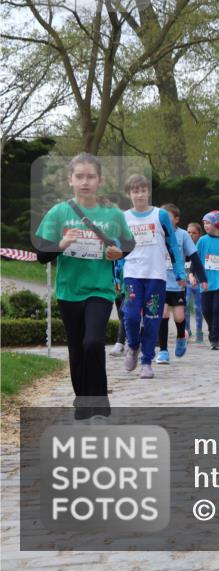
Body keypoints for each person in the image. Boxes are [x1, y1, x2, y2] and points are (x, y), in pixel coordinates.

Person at [34, 153, 134, 421]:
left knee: (92, 342)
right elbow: (41, 254)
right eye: (79, 176)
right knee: (77, 348)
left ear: (99, 180)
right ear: (70, 180)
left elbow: (128, 243)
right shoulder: (59, 212)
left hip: (100, 290)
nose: (85, 182)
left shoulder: (112, 213)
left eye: (90, 176)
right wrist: (61, 245)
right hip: (69, 291)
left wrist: (118, 253)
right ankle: (82, 400)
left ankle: (99, 399)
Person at [121, 174, 186, 378]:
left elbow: (173, 244)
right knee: (130, 316)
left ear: (148, 192)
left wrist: (179, 271)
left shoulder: (160, 215)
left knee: (152, 319)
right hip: (132, 274)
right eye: (135, 191)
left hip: (156, 276)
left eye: (143, 190)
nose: (139, 194)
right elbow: (118, 250)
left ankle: (147, 361)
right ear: (129, 194)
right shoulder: (124, 218)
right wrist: (115, 277)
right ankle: (132, 345)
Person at [156, 204, 206, 363]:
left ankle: (180, 337)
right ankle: (163, 351)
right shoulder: (155, 234)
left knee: (178, 317)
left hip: (178, 284)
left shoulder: (183, 235)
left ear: (177, 220)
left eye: (168, 217)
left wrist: (203, 278)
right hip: (160, 282)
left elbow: (195, 257)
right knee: (163, 314)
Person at [197, 210, 219, 351]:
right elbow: (195, 258)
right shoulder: (202, 240)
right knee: (206, 310)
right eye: (204, 223)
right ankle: (213, 330)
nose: (205, 226)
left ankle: (215, 339)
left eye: (208, 223)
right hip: (206, 282)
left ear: (217, 223)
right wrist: (193, 274)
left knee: (217, 309)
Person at [185, 222, 205, 343]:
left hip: (198, 282)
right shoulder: (182, 245)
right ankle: (187, 330)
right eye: (189, 232)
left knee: (198, 307)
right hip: (186, 281)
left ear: (199, 234)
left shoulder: (201, 246)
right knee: (185, 305)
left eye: (194, 233)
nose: (191, 235)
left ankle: (199, 331)